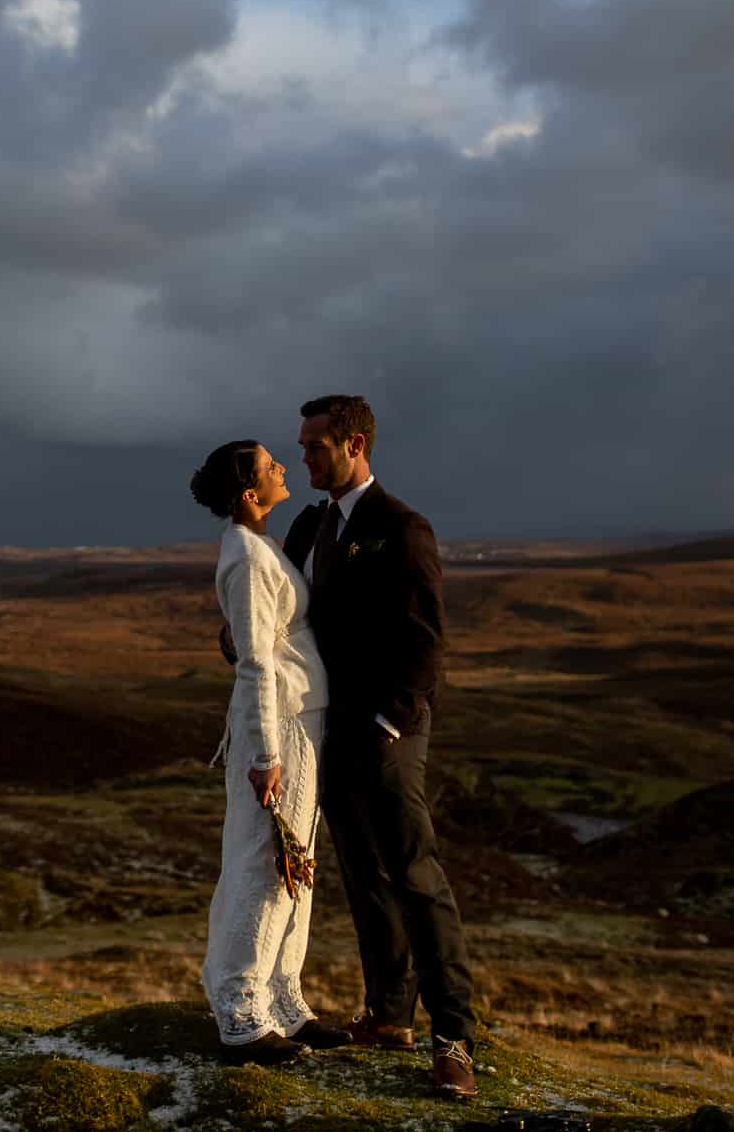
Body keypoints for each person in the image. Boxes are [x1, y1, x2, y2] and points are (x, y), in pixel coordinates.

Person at [287, 393, 478, 1101]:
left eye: (315, 446)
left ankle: (453, 1039)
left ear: (355, 444)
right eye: (302, 446)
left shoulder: (401, 527)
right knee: (364, 874)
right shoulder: (308, 525)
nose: (303, 456)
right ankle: (388, 1014)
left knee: (414, 876)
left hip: (387, 730)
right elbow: (284, 610)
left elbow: (426, 640)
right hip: (326, 728)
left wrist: (388, 723)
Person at [187, 439, 353, 1066]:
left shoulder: (259, 547)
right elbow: (255, 662)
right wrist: (264, 755)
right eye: (270, 465)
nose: (284, 467)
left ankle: (282, 996)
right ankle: (238, 1013)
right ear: (251, 494)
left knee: (295, 867)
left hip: (298, 722)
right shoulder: (247, 559)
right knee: (264, 866)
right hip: (278, 729)